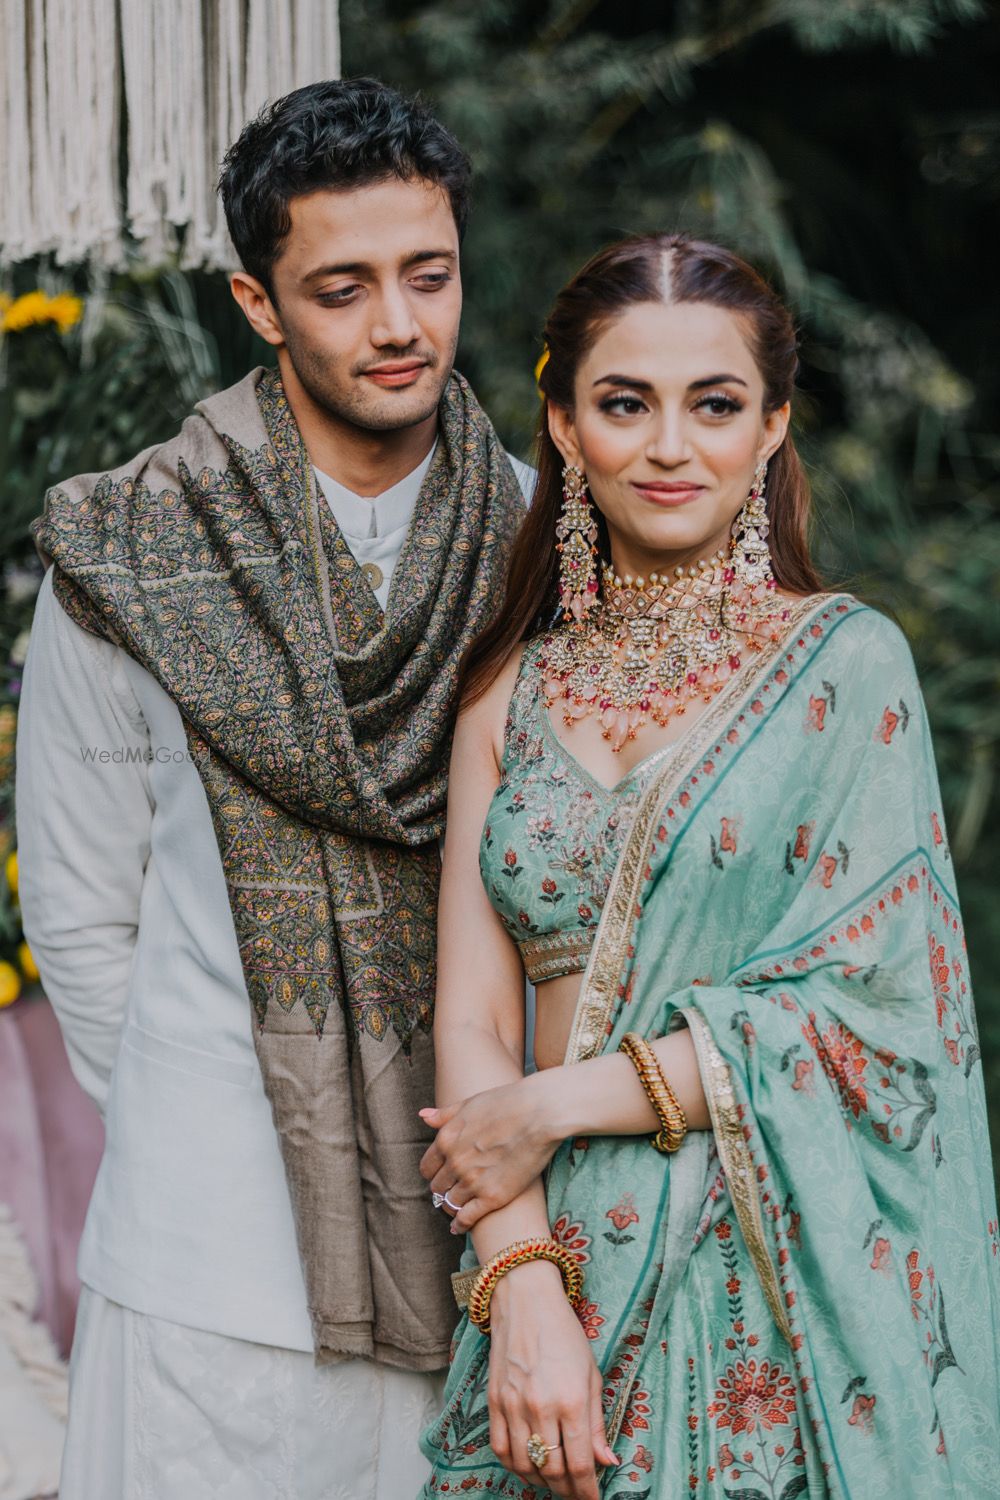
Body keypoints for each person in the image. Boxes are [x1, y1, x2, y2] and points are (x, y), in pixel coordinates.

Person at [416, 233, 1000, 1499]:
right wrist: (520, 1294)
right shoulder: (503, 698)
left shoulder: (845, 669)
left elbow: (883, 1018)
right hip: (555, 1276)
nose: (670, 446)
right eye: (625, 404)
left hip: (769, 1286)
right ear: (564, 427)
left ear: (773, 428)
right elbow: (467, 1017)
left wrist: (552, 1104)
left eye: (716, 405)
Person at [15, 77, 532, 1500]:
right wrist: (255, 1131)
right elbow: (80, 915)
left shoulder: (550, 545)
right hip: (207, 1256)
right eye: (343, 287)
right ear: (258, 303)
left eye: (428, 275)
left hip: (496, 1227)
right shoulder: (128, 558)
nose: (398, 326)